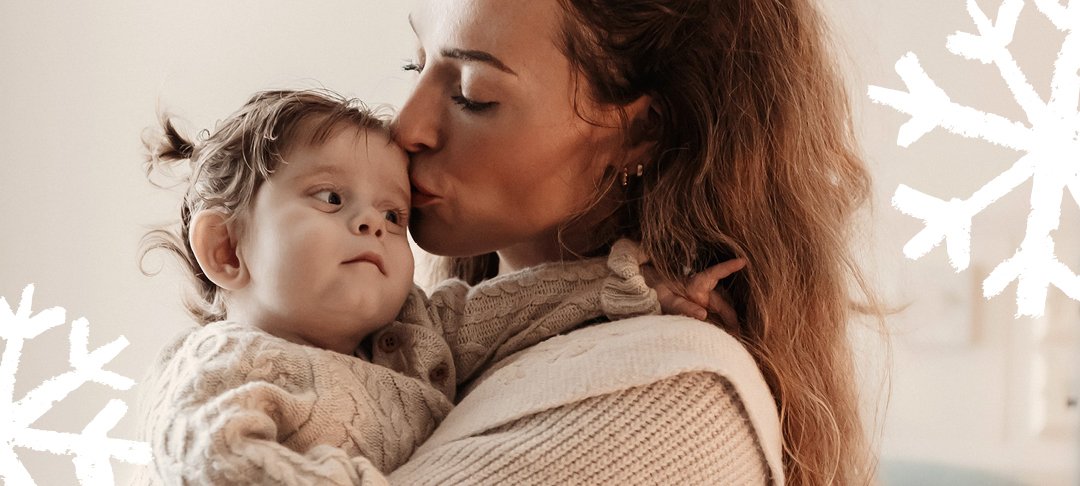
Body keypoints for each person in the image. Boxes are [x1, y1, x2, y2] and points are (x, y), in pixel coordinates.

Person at [375, 0, 884, 484]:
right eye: (413, 66)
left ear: (643, 130)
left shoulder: (669, 406)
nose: (403, 127)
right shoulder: (432, 339)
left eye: (472, 95)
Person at [135, 89, 730, 485]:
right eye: (331, 198)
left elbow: (516, 307)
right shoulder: (223, 364)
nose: (371, 222)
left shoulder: (416, 332)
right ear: (227, 249)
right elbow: (212, 461)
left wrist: (633, 285)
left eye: (394, 215)